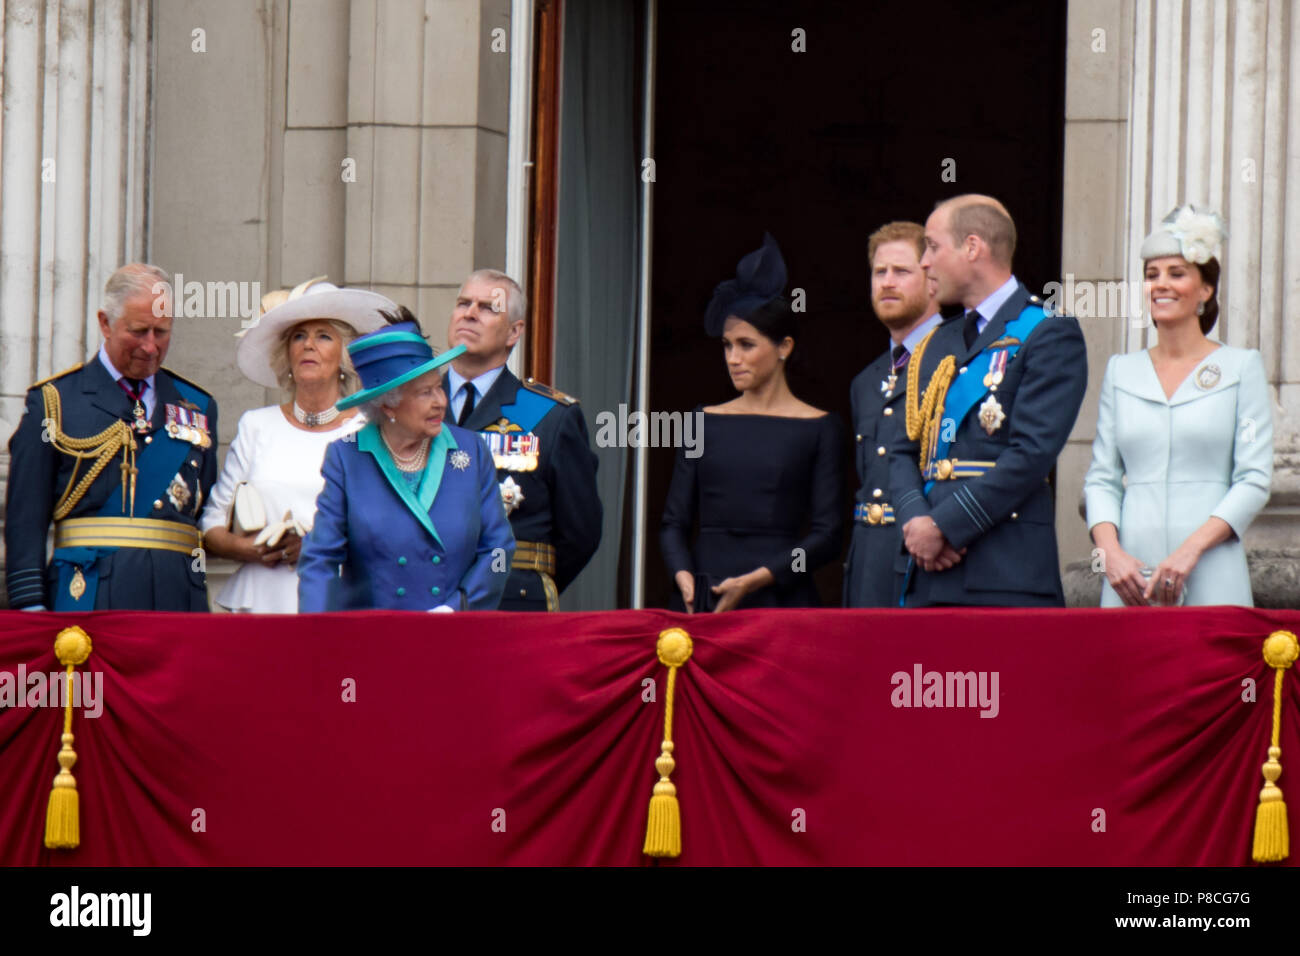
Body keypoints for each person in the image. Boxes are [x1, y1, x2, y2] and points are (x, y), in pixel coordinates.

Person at [888, 195, 1087, 607]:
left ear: (973, 247)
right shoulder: (933, 343)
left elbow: (1031, 454)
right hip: (927, 573)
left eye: (932, 246)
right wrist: (916, 523)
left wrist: (943, 526)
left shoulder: (1048, 332)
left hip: (1004, 575)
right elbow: (902, 451)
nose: (924, 261)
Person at [1084, 205, 1272, 606]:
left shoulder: (1240, 367)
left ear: (1205, 290)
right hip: (1129, 577)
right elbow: (1101, 479)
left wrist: (1191, 551)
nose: (1160, 284)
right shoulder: (1121, 371)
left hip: (1212, 568)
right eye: (1152, 275)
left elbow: (1254, 479)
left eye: (1176, 273)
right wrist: (1110, 555)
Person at [4, 263, 218, 611]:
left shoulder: (198, 406)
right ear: (105, 323)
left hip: (178, 601)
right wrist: (31, 605)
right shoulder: (55, 402)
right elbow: (26, 518)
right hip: (87, 598)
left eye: (162, 332)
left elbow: (205, 507)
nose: (150, 347)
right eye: (139, 331)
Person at [661, 233, 844, 612]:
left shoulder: (820, 427)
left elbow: (828, 536)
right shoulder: (701, 421)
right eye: (727, 346)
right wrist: (684, 577)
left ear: (784, 348)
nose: (733, 358)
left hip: (781, 598)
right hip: (704, 598)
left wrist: (761, 577)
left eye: (746, 345)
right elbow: (672, 523)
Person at [198, 277, 395, 612]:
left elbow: (388, 532)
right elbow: (212, 524)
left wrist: (316, 548)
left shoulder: (369, 430)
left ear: (344, 357)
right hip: (260, 601)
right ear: (286, 355)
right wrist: (251, 549)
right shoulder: (256, 425)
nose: (308, 345)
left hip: (338, 601)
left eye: (323, 336)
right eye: (299, 336)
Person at [297, 308, 514, 611]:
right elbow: (320, 559)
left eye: (439, 387)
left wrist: (459, 606)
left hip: (456, 636)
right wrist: (316, 635)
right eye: (425, 393)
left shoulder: (471, 450)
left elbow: (499, 550)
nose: (440, 402)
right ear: (388, 406)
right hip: (376, 640)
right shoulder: (347, 458)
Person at [444, 269, 600, 611]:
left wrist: (524, 583)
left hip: (511, 602)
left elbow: (580, 533)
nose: (469, 313)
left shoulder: (548, 414)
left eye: (487, 307)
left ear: (515, 331)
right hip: (422, 600)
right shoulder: (411, 405)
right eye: (463, 303)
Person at [844, 222, 944, 607]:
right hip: (868, 562)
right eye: (879, 272)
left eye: (901, 271)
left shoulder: (958, 360)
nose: (887, 282)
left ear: (933, 280)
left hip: (927, 562)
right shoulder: (865, 381)